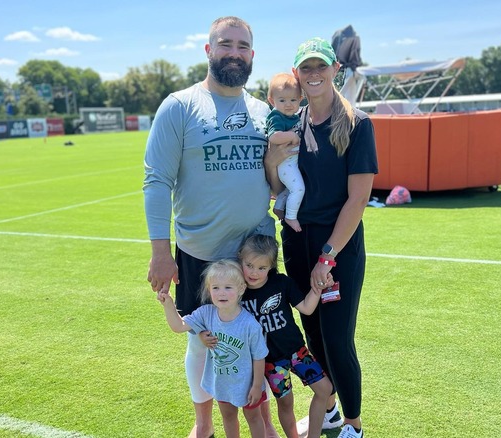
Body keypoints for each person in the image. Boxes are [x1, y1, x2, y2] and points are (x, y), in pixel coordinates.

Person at [143, 16, 279, 438]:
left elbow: (274, 178)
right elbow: (156, 180)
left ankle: (261, 415)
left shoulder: (263, 113)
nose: (234, 53)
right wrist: (161, 252)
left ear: (252, 56)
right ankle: (203, 422)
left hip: (253, 257)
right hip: (200, 254)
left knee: (259, 338)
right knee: (202, 339)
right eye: (226, 44)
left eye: (242, 46)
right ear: (208, 51)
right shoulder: (180, 106)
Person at [263, 37, 378, 438]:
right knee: (311, 331)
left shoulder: (358, 123)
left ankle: (353, 424)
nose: (313, 74)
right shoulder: (291, 122)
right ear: (296, 75)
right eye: (305, 68)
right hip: (297, 242)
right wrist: (273, 163)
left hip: (337, 248)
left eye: (321, 66)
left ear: (335, 70)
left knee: (336, 336)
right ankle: (327, 408)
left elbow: (359, 199)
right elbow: (277, 189)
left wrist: (327, 258)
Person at [201, 234, 334, 438]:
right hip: (271, 363)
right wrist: (203, 334)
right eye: (250, 265)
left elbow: (307, 308)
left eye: (262, 268)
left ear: (271, 266)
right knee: (286, 403)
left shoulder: (281, 283)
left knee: (325, 389)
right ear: (240, 259)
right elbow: (216, 316)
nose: (254, 272)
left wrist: (317, 288)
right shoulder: (237, 292)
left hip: (297, 351)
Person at [158, 260, 269, 438]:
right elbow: (178, 326)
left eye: (228, 287)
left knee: (254, 418)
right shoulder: (205, 313)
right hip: (222, 382)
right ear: (209, 290)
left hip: (247, 384)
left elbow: (259, 357)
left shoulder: (249, 324)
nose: (221, 293)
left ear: (241, 289)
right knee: (228, 416)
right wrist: (168, 304)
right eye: (215, 287)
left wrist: (257, 386)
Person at [265, 73, 304, 233]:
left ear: (300, 99)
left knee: (289, 189)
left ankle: (279, 207)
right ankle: (291, 216)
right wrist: (292, 136)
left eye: (293, 100)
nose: (288, 104)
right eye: (282, 100)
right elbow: (274, 136)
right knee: (298, 189)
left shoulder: (294, 116)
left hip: (291, 162)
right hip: (285, 163)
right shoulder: (276, 116)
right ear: (272, 101)